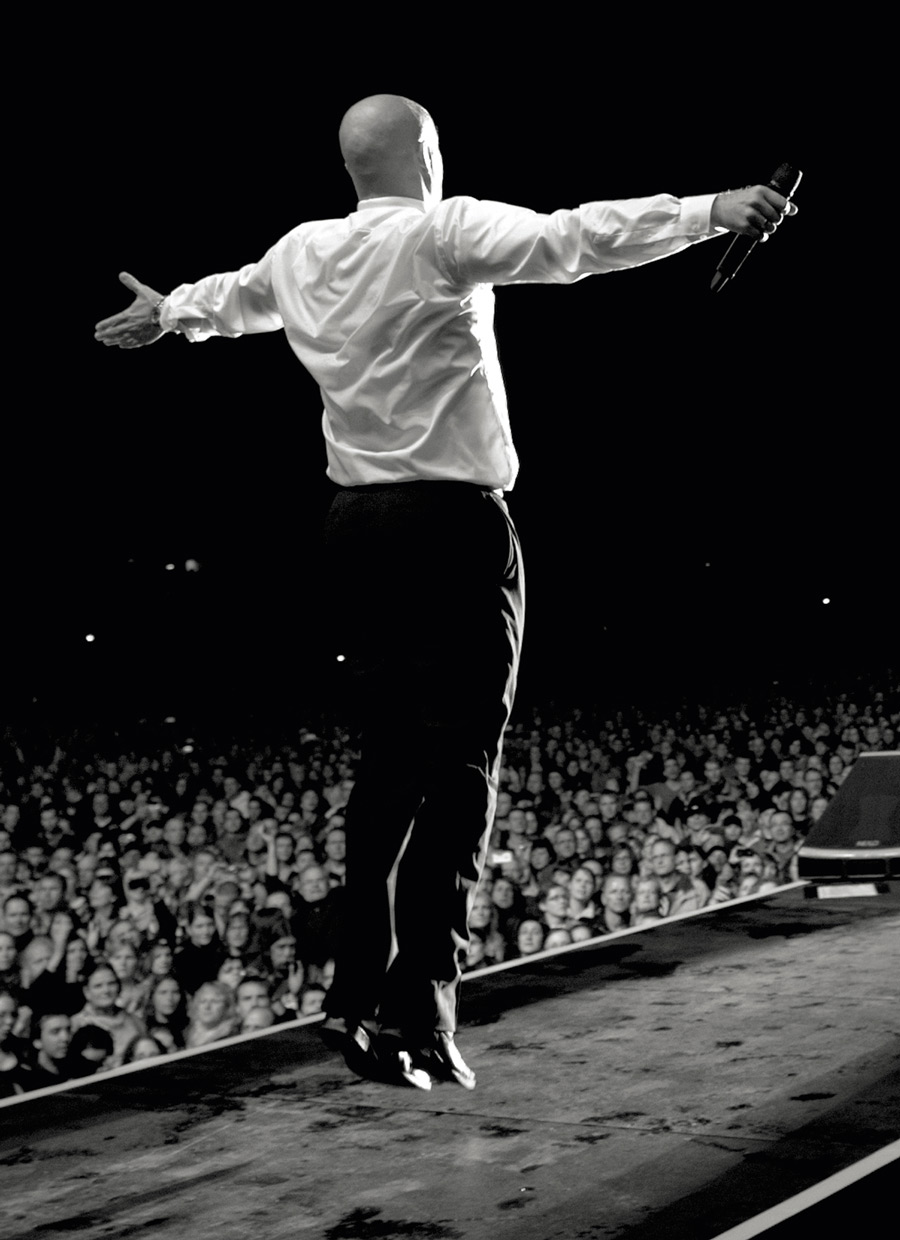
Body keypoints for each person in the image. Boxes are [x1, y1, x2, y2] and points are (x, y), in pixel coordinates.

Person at [94, 93, 797, 1091]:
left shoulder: (300, 252)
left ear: (351, 167)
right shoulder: (442, 230)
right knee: (463, 764)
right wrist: (709, 210)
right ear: (427, 154)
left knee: (391, 760)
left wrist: (166, 313)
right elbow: (574, 240)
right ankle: (421, 1008)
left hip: (356, 529)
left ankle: (355, 991)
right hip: (454, 525)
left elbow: (229, 300)